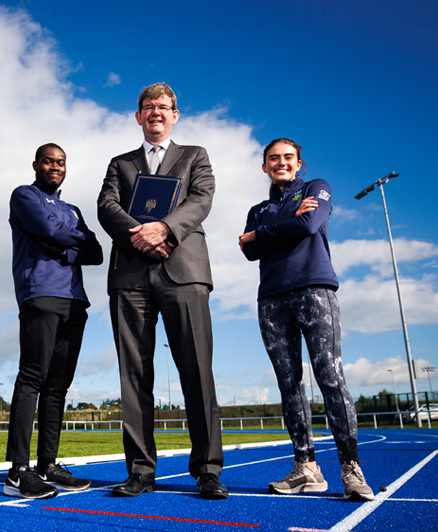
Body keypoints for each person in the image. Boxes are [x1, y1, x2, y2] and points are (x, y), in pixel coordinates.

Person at [97, 83, 228, 500]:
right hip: (130, 276)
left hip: (184, 271)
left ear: (175, 115)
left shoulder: (195, 156)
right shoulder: (120, 163)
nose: (156, 112)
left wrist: (165, 228)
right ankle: (140, 471)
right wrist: (139, 234)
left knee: (196, 372)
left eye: (163, 107)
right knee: (134, 376)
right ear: (138, 116)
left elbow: (202, 197)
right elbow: (106, 205)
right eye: (148, 107)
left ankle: (207, 470)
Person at [238, 138, 375, 501]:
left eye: (287, 158)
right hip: (271, 298)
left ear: (299, 164)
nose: (281, 163)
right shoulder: (258, 208)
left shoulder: (318, 188)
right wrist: (283, 225)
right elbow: (250, 250)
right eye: (273, 159)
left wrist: (263, 234)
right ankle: (307, 468)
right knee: (289, 384)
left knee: (329, 377)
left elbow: (309, 225)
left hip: (315, 290)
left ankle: (350, 468)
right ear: (264, 166)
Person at [4, 143, 103, 500]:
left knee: (58, 386)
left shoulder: (73, 208)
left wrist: (64, 248)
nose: (55, 167)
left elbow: (96, 252)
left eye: (61, 162)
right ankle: (17, 471)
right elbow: (47, 228)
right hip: (41, 295)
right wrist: (66, 237)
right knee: (32, 377)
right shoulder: (24, 196)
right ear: (36, 164)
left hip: (75, 301)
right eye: (49, 161)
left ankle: (47, 464)